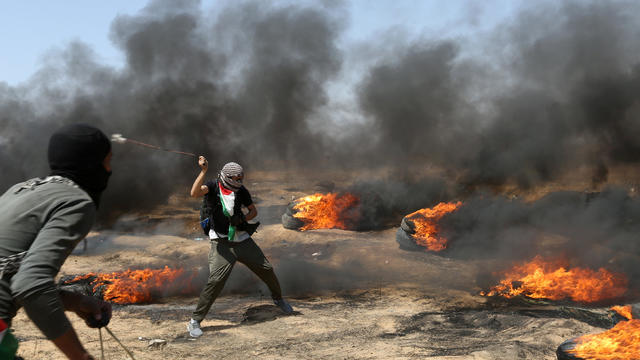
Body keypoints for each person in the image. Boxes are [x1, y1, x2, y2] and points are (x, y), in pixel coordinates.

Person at [0, 123, 114, 360]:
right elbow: (30, 284)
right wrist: (81, 356)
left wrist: (76, 301)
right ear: (93, 164)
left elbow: (10, 271)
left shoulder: (19, 190)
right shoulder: (76, 202)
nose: (109, 169)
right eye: (108, 161)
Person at [187, 156, 293, 338]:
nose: (239, 182)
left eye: (241, 178)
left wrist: (243, 219)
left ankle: (278, 299)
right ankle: (195, 321)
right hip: (221, 242)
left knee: (267, 269)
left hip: (241, 239)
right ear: (227, 177)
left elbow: (253, 210)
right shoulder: (213, 186)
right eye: (236, 179)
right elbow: (194, 193)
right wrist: (203, 171)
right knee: (216, 280)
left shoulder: (241, 191)